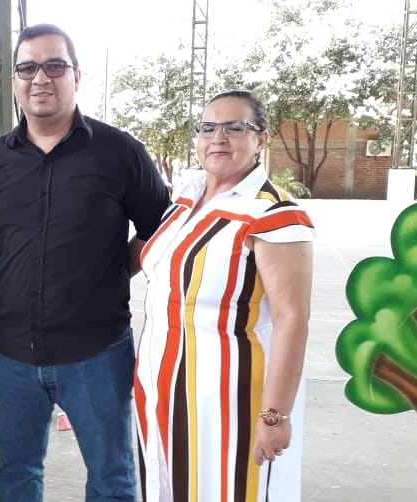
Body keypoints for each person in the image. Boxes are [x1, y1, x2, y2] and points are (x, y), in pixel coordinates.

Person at [0, 23, 171, 501]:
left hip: (97, 353)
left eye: (54, 65)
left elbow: (161, 234)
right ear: (16, 80)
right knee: (16, 475)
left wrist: (112, 267)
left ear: (75, 76)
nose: (40, 77)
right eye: (28, 67)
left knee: (112, 478)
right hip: (8, 355)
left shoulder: (120, 152)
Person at [133, 90, 315, 501]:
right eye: (208, 128)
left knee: (226, 490)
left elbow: (292, 319)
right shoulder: (184, 201)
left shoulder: (273, 215)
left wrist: (274, 416)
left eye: (235, 128)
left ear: (261, 140)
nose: (218, 138)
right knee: (170, 488)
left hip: (228, 399)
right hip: (161, 389)